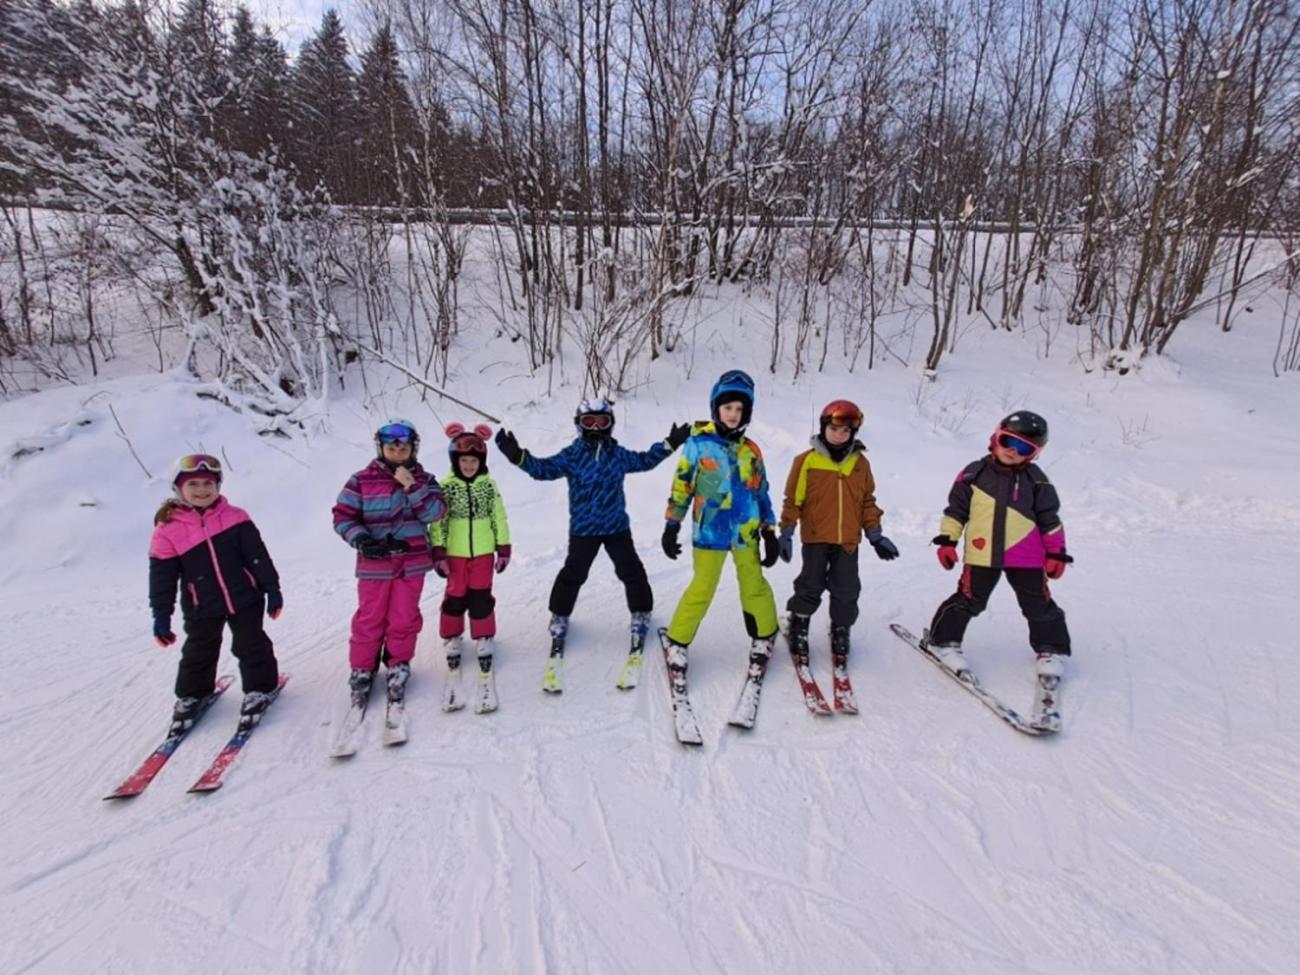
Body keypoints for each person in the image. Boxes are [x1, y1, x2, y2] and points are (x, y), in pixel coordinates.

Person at [494, 399, 689, 680]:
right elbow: (542, 470)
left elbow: (645, 460)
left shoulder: (616, 454)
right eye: (589, 422)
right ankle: (559, 616)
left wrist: (670, 443)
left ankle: (641, 612)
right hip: (584, 530)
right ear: (579, 425)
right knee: (573, 573)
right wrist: (517, 456)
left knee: (631, 571)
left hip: (615, 528)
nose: (595, 427)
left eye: (601, 422)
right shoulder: (573, 455)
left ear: (610, 425)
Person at [924, 410, 1073, 677]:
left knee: (1037, 603)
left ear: (1035, 453)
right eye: (1008, 442)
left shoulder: (1037, 480)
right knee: (970, 599)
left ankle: (1051, 648)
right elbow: (956, 511)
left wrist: (1057, 553)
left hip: (1027, 555)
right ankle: (943, 641)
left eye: (1024, 448)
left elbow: (1050, 519)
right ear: (996, 437)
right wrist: (948, 541)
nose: (1013, 451)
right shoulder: (974, 474)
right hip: (983, 553)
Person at [149, 454, 282, 733]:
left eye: (208, 483)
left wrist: (272, 588)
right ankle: (193, 694)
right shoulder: (167, 530)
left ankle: (260, 687)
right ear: (178, 488)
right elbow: (162, 578)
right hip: (201, 603)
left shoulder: (236, 517)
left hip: (245, 596)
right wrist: (162, 615)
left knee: (251, 643)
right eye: (193, 484)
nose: (201, 490)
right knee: (199, 649)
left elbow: (257, 557)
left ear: (218, 485)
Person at [661, 370, 781, 674]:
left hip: (746, 531)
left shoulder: (751, 450)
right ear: (717, 408)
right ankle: (678, 640)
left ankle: (764, 636)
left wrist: (769, 530)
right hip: (710, 531)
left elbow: (762, 490)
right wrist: (672, 525)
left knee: (754, 585)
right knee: (702, 587)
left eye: (740, 409)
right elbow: (682, 486)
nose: (733, 414)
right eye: (728, 407)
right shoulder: (698, 445)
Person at [332, 418, 446, 706]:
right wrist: (361, 539)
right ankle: (362, 668)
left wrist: (412, 487)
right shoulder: (361, 480)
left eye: (403, 445)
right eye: (391, 445)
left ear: (413, 449)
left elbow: (435, 513)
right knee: (370, 617)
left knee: (404, 617)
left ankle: (398, 664)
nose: (397, 450)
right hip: (375, 565)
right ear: (381, 447)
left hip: (412, 563)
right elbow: (343, 515)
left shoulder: (426, 480)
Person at [777, 399, 898, 668]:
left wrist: (875, 535)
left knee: (847, 589)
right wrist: (786, 532)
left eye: (846, 431)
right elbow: (792, 500)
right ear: (824, 428)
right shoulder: (806, 461)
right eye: (834, 428)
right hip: (816, 537)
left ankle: (841, 629)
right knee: (810, 585)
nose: (840, 435)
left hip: (848, 540)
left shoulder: (860, 464)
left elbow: (867, 501)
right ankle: (798, 623)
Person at [429, 423, 511, 678]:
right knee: (455, 595)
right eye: (464, 460)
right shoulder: (446, 486)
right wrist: (438, 551)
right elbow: (438, 521)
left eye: (474, 461)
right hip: (455, 554)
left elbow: (499, 516)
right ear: (455, 460)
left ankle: (484, 635)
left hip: (484, 553)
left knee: (481, 595)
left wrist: (503, 547)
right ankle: (452, 637)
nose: (469, 465)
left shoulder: (488, 485)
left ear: (482, 461)